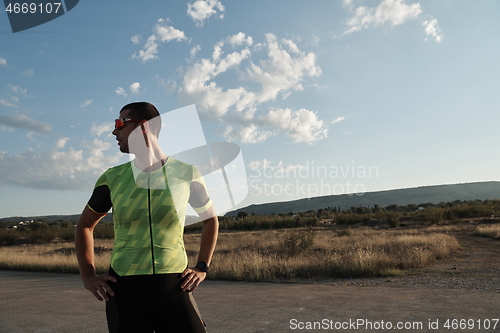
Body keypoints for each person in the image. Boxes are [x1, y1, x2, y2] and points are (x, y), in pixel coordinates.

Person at [75, 102, 218, 333]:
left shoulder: (187, 174)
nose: (114, 132)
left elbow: (211, 219)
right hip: (124, 291)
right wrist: (88, 275)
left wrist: (202, 267)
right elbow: (84, 226)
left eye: (120, 124)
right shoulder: (113, 178)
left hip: (174, 286)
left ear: (143, 127)